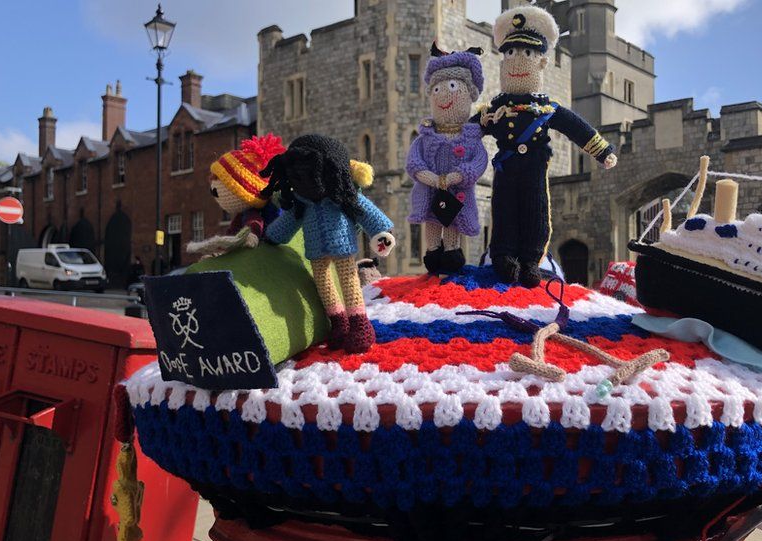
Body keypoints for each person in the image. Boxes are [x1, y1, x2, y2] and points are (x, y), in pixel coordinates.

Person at [473, 5, 618, 288]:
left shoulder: (547, 108)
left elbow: (575, 127)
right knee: (502, 211)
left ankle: (531, 260)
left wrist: (602, 151)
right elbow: (471, 130)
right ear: (502, 61)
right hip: (505, 169)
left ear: (540, 62)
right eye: (510, 53)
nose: (516, 61)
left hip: (535, 171)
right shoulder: (496, 108)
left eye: (526, 53)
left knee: (536, 212)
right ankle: (502, 256)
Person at [262, 135, 396, 353]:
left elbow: (367, 212)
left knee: (349, 281)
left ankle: (360, 324)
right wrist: (270, 237)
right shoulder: (301, 202)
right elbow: (286, 224)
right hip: (316, 252)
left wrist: (382, 231)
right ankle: (339, 323)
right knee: (323, 284)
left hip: (342, 248)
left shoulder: (342, 196)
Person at [406, 43, 488, 274]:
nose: (443, 95)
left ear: (467, 94)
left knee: (453, 222)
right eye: (437, 89)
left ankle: (452, 251)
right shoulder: (426, 135)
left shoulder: (471, 137)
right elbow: (414, 160)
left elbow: (479, 161)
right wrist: (427, 177)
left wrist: (459, 175)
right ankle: (433, 251)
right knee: (432, 220)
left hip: (456, 192)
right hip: (431, 191)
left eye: (452, 87)